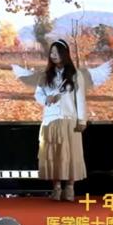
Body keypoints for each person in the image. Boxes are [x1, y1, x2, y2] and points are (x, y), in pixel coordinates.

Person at [35, 38, 87, 201]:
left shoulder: (75, 74)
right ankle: (56, 188)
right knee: (53, 155)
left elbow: (80, 98)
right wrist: (46, 99)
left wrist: (82, 120)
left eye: (57, 52)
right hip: (50, 120)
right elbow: (38, 94)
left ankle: (70, 188)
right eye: (51, 52)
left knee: (70, 154)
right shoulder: (45, 75)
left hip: (69, 119)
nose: (53, 55)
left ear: (64, 54)